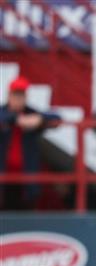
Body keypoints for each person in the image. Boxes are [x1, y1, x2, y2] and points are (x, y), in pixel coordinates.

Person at [0, 76, 60, 210]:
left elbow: (56, 118)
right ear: (9, 95)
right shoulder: (4, 113)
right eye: (16, 94)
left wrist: (39, 119)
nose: (19, 98)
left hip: (25, 181)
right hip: (3, 180)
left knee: (25, 215)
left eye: (22, 95)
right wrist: (16, 119)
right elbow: (4, 117)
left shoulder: (31, 113)